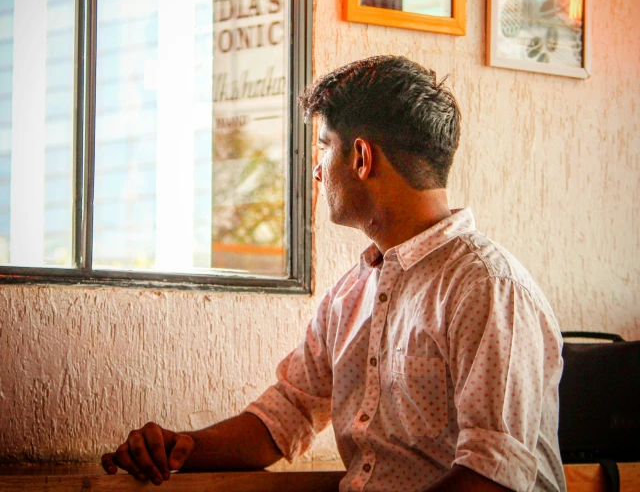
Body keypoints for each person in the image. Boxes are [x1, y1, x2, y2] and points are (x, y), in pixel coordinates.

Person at [102, 56, 566, 492]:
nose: (318, 172)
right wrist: (181, 447)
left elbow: (493, 477)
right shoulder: (351, 294)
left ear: (361, 158)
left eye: (324, 148)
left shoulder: (487, 288)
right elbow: (285, 415)